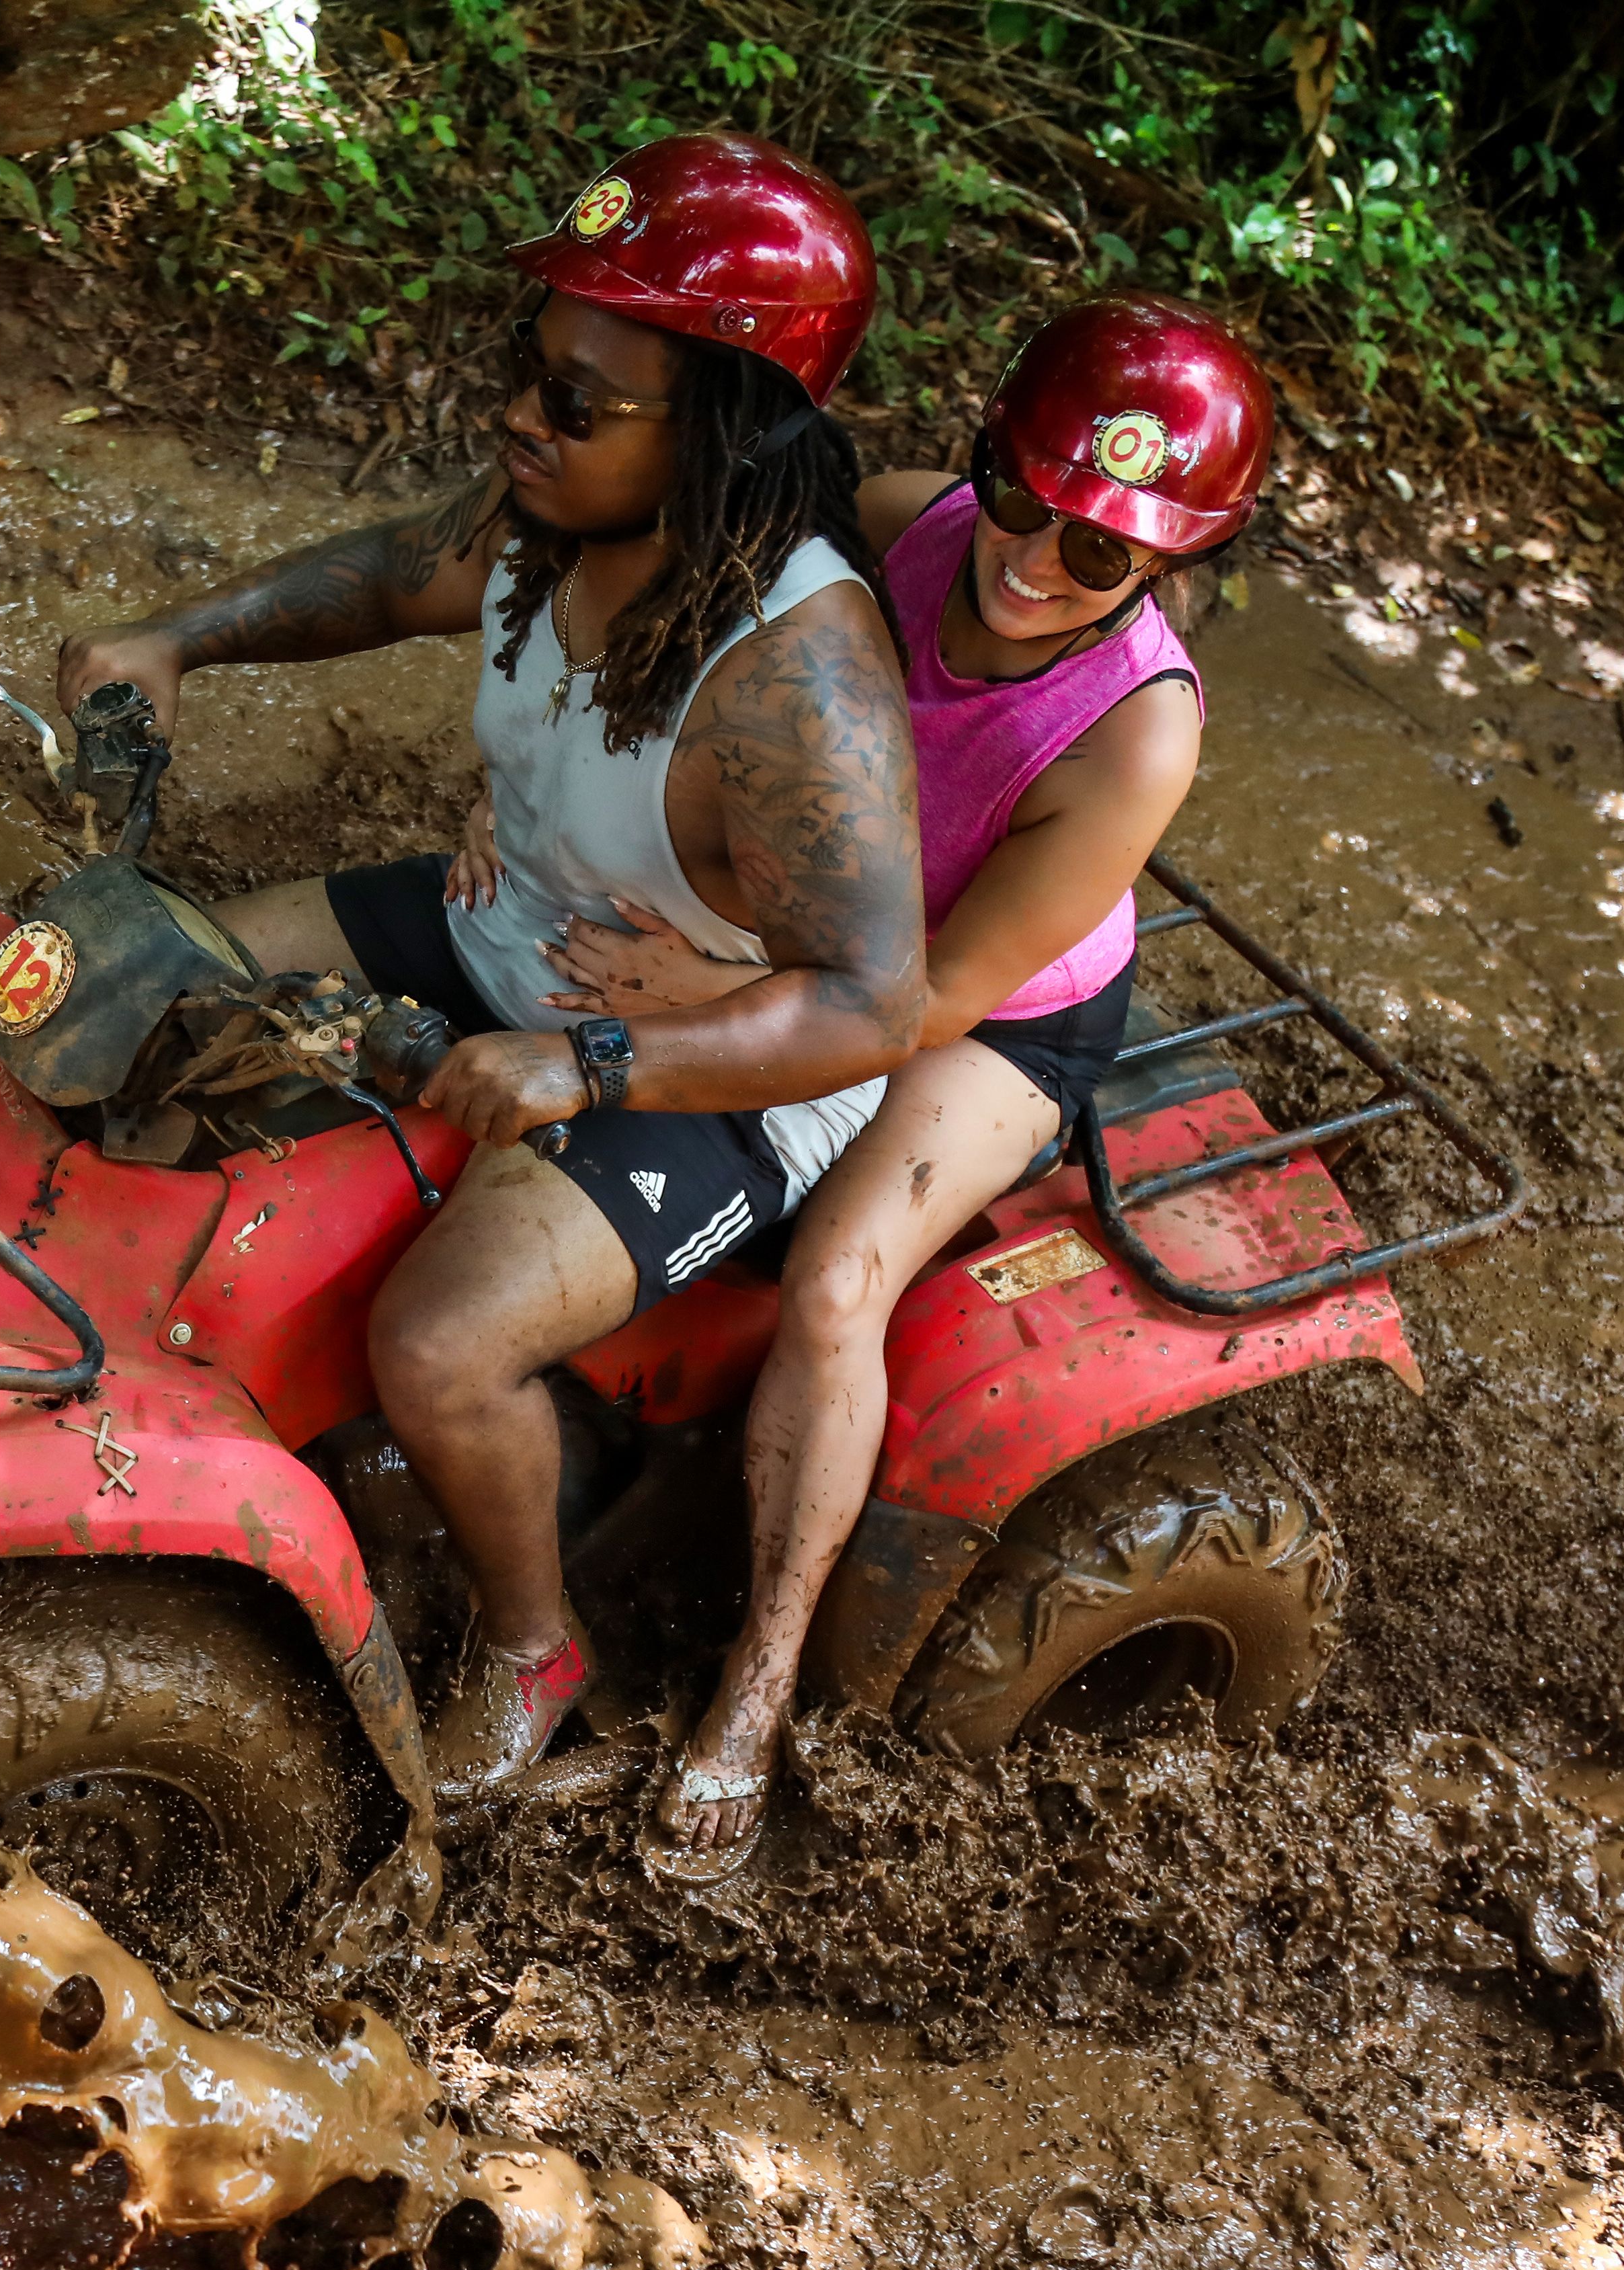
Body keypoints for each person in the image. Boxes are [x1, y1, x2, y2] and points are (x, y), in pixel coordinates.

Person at [52, 132, 927, 1804]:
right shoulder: (550, 516)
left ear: (723, 429)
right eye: (527, 379)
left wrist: (590, 1066)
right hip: (507, 922)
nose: (524, 423)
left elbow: (868, 1005)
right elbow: (390, 572)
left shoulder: (795, 680)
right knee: (141, 975)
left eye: (580, 404)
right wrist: (175, 639)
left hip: (705, 1059)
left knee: (441, 1342)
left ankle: (534, 1643)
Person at [534, 293, 1276, 1869]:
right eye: (1017, 499)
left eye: (1094, 551)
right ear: (981, 464)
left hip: (982, 1010)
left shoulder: (1131, 735)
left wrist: (716, 993)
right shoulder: (903, 527)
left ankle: (758, 1677)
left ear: (1164, 569)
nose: (1028, 559)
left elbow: (925, 997)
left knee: (832, 1279)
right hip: (820, 912)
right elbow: (696, 637)